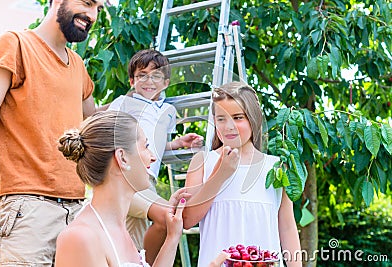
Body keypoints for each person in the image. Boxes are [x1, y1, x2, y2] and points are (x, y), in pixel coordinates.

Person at [0, 0, 105, 265]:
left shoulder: (77, 65)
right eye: (87, 3)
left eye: (99, 8)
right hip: (27, 210)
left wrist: (139, 102)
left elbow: (97, 122)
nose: (92, 15)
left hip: (77, 211)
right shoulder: (16, 44)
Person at [55, 111, 228, 267]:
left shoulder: (118, 227)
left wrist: (173, 236)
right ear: (122, 158)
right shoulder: (80, 238)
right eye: (145, 146)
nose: (152, 158)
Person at [182, 82, 302, 267]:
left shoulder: (276, 167)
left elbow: (287, 227)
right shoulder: (202, 162)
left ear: (253, 119)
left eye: (238, 117)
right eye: (221, 119)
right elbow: (187, 220)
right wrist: (220, 175)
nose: (229, 126)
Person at [108, 49, 203, 263]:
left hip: (147, 181)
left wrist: (178, 143)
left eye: (156, 75)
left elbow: (155, 145)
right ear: (132, 80)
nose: (149, 80)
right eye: (142, 74)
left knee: (133, 242)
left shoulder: (168, 111)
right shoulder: (123, 103)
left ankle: (135, 263)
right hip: (125, 177)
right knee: (166, 217)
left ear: (166, 82)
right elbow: (104, 133)